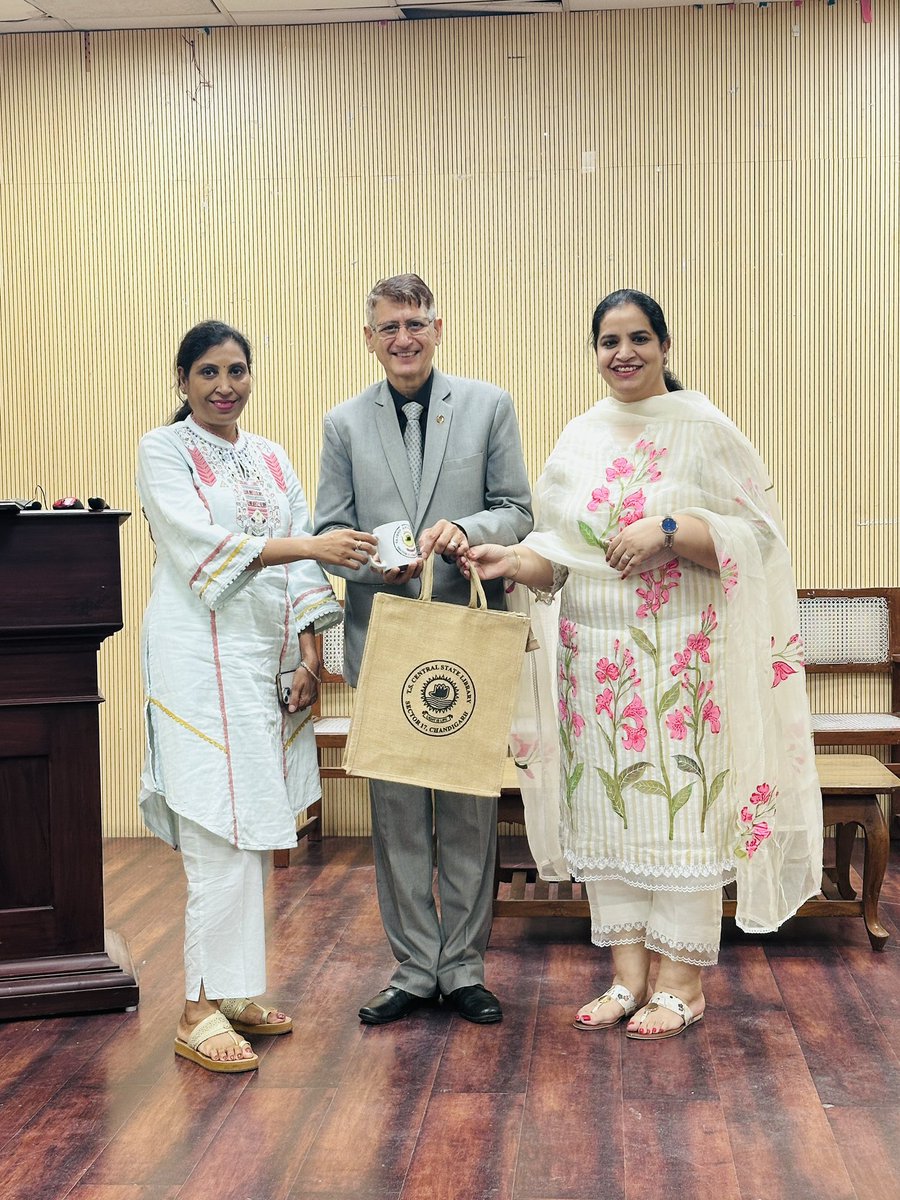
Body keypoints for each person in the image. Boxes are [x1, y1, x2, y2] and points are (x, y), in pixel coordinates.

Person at [464, 290, 822, 1040]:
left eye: (638, 338)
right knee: (611, 813)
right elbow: (559, 557)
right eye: (607, 342)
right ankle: (628, 978)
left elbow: (755, 542)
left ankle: (682, 984)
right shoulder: (581, 437)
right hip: (593, 665)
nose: (622, 353)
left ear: (664, 343)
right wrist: (515, 561)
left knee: (681, 813)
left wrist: (668, 528)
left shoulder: (703, 427)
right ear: (593, 351)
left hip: (681, 665)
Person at [137, 320, 377, 1072]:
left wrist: (312, 657)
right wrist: (312, 548)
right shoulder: (164, 450)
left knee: (249, 834)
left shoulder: (271, 458)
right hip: (195, 658)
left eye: (236, 370)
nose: (223, 386)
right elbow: (199, 546)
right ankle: (196, 1008)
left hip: (264, 665)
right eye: (207, 372)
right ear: (182, 380)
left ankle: (233, 991)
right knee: (215, 827)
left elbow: (304, 567)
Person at [314, 274, 533, 1025]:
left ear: (439, 328)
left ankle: (465, 966)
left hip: (468, 642)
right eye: (387, 327)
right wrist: (372, 559)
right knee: (399, 811)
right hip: (386, 642)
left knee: (470, 808)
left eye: (415, 323)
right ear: (367, 338)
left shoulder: (487, 405)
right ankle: (414, 968)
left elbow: (519, 512)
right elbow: (329, 539)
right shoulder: (342, 424)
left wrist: (468, 531)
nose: (402, 338)